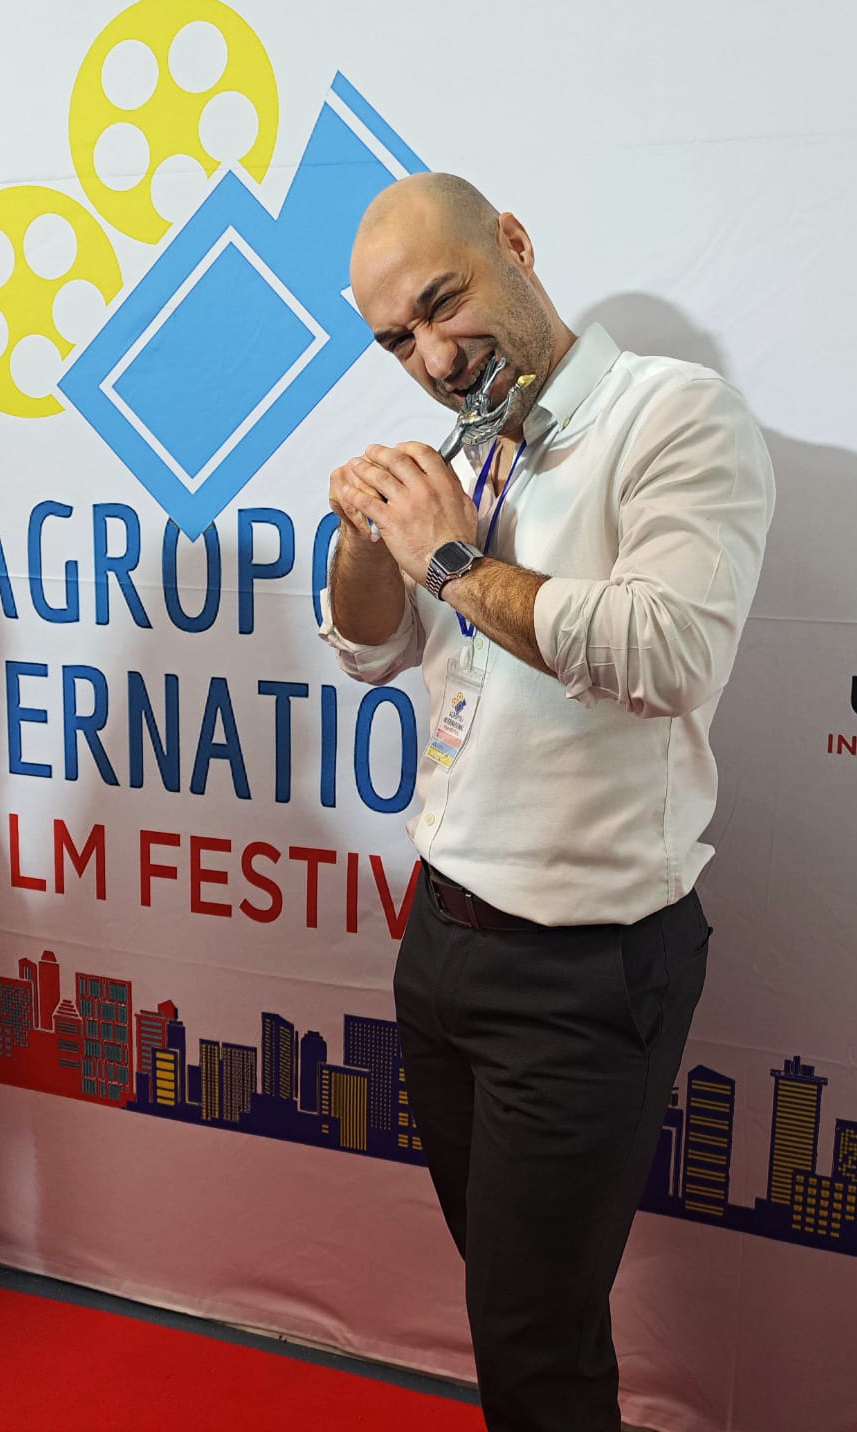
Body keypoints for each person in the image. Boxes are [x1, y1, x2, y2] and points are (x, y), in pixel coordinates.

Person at [319, 172, 774, 1432]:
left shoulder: (673, 416)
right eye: (396, 341)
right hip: (441, 939)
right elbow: (370, 650)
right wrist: (365, 537)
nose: (431, 357)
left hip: (584, 968)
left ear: (513, 243)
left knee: (531, 1345)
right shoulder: (470, 447)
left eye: (442, 304)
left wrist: (450, 558)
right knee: (518, 1308)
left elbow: (669, 653)